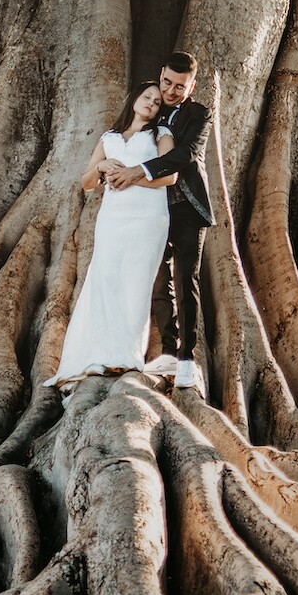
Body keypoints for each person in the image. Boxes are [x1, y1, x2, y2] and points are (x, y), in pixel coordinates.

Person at [44, 82, 178, 388]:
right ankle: (97, 355)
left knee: (136, 283)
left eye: (157, 103)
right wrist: (103, 166)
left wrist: (130, 177)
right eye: (147, 97)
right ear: (134, 99)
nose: (151, 104)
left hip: (147, 218)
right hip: (114, 219)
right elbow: (88, 183)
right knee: (105, 279)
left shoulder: (160, 135)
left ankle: (125, 356)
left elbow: (170, 176)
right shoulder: (109, 138)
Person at [104, 51, 215, 391]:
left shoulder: (199, 113)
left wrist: (139, 171)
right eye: (167, 82)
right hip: (148, 207)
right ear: (161, 75)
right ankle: (166, 348)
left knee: (186, 277)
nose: (170, 90)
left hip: (186, 207)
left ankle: (186, 359)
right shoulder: (150, 105)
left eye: (179, 86)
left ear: (191, 85)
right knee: (153, 275)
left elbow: (186, 154)